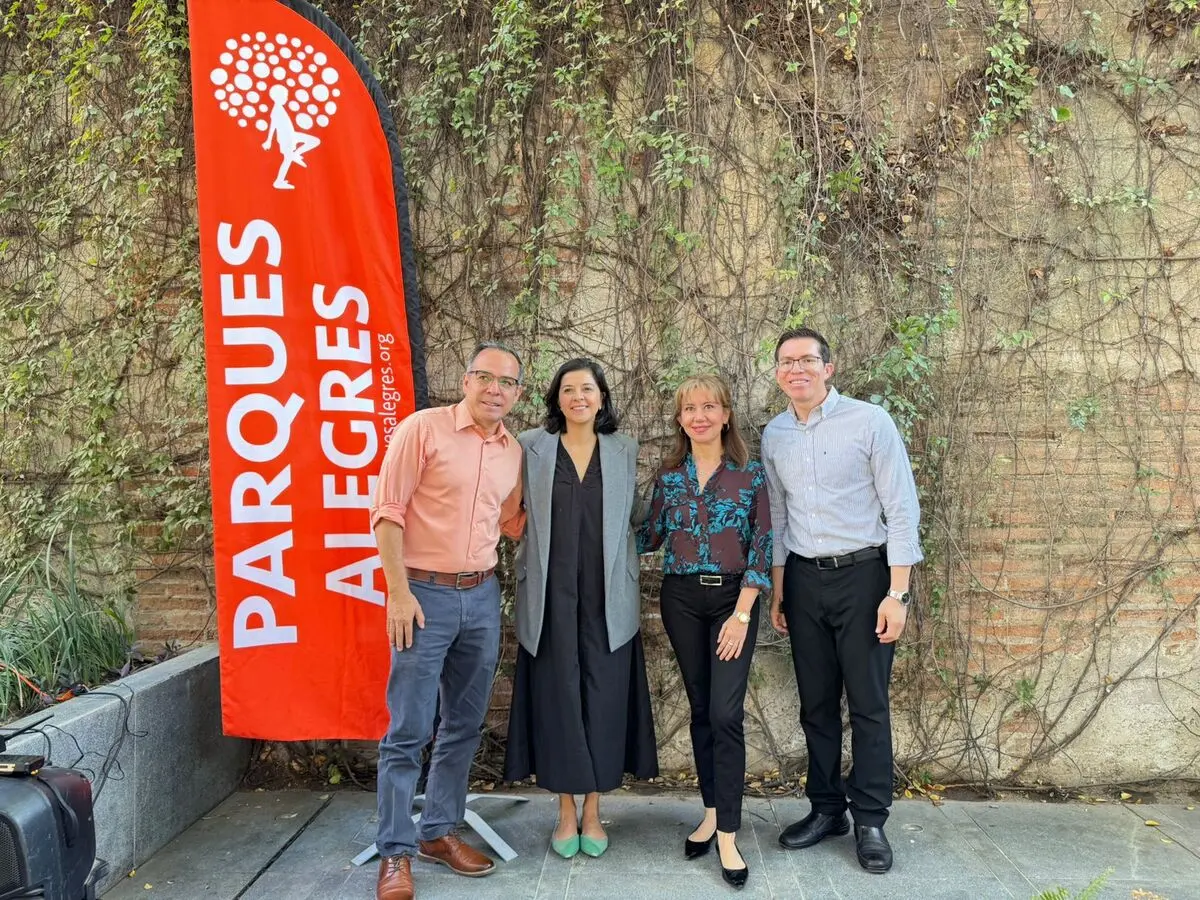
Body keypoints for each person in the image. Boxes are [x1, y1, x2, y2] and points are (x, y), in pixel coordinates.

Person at [760, 327, 922, 875]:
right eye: (786, 361)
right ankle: (827, 809)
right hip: (804, 581)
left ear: (829, 367)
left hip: (865, 578)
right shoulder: (775, 433)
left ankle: (871, 818)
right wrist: (780, 588)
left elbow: (901, 508)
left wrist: (896, 592)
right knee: (816, 704)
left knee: (869, 704)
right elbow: (778, 517)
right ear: (778, 372)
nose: (796, 369)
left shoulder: (870, 422)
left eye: (807, 359)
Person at [370, 342, 526, 900]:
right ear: (466, 380)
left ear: (517, 394)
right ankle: (394, 852)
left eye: (506, 382)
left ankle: (438, 832)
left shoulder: (513, 452)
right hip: (422, 596)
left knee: (463, 725)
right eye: (485, 377)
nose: (494, 389)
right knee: (407, 731)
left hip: (481, 597)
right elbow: (386, 514)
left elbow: (511, 520)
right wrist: (397, 594)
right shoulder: (423, 429)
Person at [504, 358, 658, 859]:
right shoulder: (531, 445)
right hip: (548, 598)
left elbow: (638, 518)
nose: (578, 397)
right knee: (559, 703)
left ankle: (593, 809)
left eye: (586, 389)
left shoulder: (624, 448)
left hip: (608, 598)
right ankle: (565, 812)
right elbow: (507, 507)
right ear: (555, 400)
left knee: (604, 703)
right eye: (567, 390)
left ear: (601, 397)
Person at [639, 374, 771, 891]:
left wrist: (741, 614)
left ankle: (730, 836)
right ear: (679, 419)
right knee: (699, 710)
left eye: (708, 406)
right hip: (681, 599)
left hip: (732, 599)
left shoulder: (750, 475)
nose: (699, 415)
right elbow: (647, 537)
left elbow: (763, 544)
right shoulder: (669, 477)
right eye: (689, 408)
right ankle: (712, 812)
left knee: (725, 714)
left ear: (725, 414)